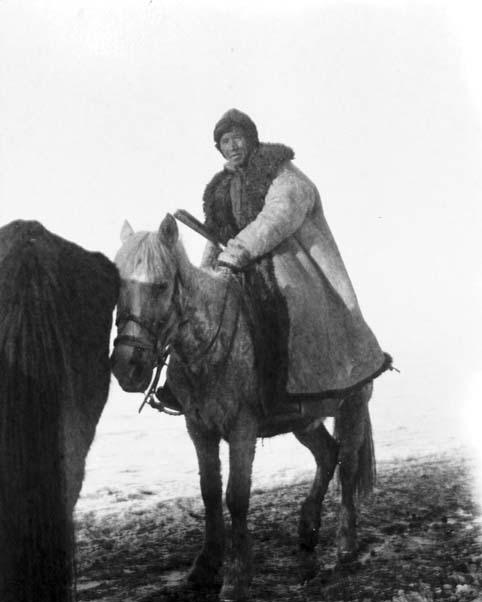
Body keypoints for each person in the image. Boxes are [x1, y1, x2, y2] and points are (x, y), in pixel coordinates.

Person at [158, 108, 391, 414]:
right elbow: (218, 234)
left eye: (237, 138)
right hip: (234, 264)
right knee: (195, 308)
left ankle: (291, 387)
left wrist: (238, 252)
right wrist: (204, 276)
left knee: (287, 304)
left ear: (251, 139)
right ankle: (182, 386)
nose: (232, 146)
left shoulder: (280, 172)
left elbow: (278, 216)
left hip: (284, 259)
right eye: (225, 141)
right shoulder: (220, 187)